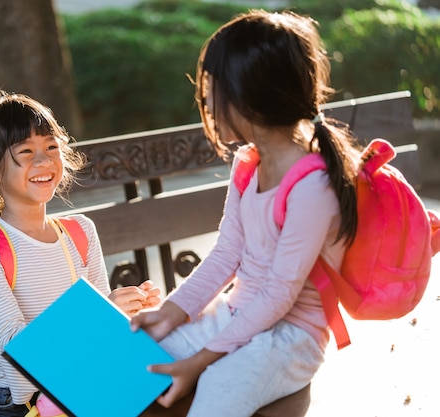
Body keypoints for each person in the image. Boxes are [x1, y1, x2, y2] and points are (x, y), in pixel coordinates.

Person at [131, 10, 361, 417]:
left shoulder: (312, 186)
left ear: (250, 96)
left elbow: (278, 295)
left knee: (217, 389)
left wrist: (200, 360)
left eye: (212, 91)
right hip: (237, 314)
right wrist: (171, 312)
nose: (205, 103)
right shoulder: (248, 164)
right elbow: (226, 254)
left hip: (292, 338)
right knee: (140, 363)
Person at [0, 89, 161, 417]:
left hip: (70, 384)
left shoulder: (80, 232)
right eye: (25, 151)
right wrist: (102, 312)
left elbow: (99, 332)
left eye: (51, 147)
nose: (43, 161)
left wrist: (132, 309)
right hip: (11, 403)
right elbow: (19, 357)